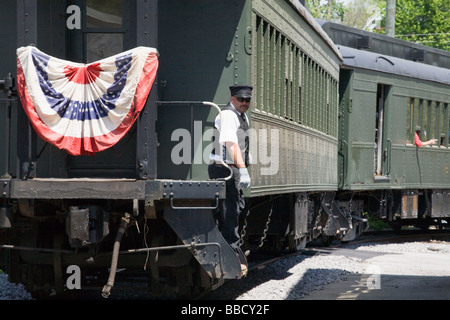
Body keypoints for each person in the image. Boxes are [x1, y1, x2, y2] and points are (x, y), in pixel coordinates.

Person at [208, 84, 252, 276]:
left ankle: (229, 249)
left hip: (231, 170)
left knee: (235, 210)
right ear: (232, 98)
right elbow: (230, 144)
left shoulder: (241, 116)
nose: (244, 103)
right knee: (229, 213)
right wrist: (241, 169)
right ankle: (229, 253)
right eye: (241, 99)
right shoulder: (228, 115)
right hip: (224, 170)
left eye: (247, 100)